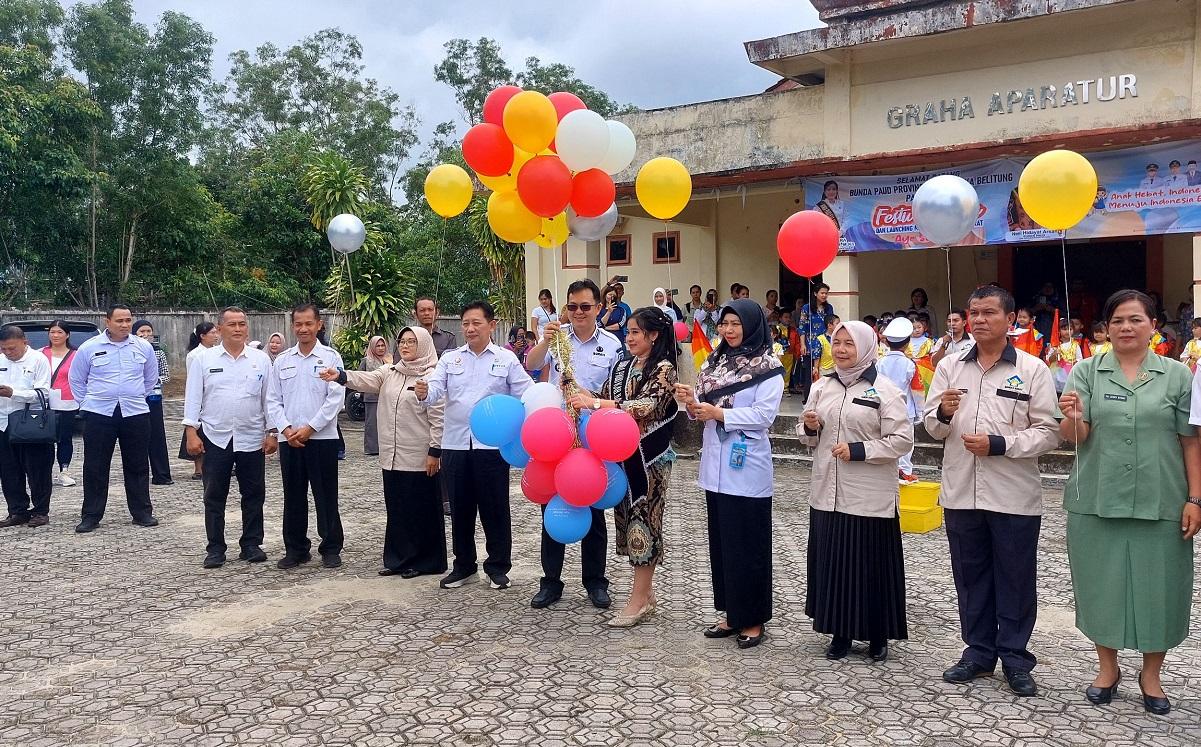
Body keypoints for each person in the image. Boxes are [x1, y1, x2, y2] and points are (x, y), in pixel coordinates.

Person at [1060, 289, 1201, 716]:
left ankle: (1151, 675)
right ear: (1106, 328)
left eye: (1136, 319)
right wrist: (1072, 416)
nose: (1126, 327)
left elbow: (1190, 440)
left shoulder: (1177, 375)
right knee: (1101, 585)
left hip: (1163, 498)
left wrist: (1195, 497)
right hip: (1097, 498)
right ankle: (1107, 669)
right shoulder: (1086, 371)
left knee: (1160, 589)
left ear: (1153, 326)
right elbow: (1074, 438)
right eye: (1118, 320)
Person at [923, 285, 1060, 697]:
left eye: (988, 312)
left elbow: (1049, 433)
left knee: (1016, 578)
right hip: (961, 491)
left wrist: (1001, 444)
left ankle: (1016, 659)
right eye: (973, 312)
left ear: (1010, 319)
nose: (978, 320)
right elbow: (931, 426)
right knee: (971, 576)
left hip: (1013, 495)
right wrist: (943, 413)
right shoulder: (949, 367)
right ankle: (978, 652)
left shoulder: (1032, 370)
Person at [675, 299, 785, 650]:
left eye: (736, 323)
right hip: (716, 467)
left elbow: (763, 416)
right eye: (724, 324)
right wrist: (692, 404)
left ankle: (752, 619)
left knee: (748, 546)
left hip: (747, 467)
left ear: (752, 325)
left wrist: (718, 414)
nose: (728, 330)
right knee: (723, 545)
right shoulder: (715, 360)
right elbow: (703, 410)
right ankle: (730, 613)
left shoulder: (769, 367)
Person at [800, 321, 913, 662]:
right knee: (834, 563)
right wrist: (808, 426)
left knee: (869, 566)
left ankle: (878, 635)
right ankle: (840, 633)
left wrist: (860, 450)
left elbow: (902, 440)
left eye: (850, 344)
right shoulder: (822, 387)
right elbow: (807, 437)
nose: (842, 350)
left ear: (866, 347)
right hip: (827, 492)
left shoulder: (885, 390)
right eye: (837, 343)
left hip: (868, 495)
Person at [568, 307, 678, 627]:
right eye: (627, 332)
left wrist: (597, 404)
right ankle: (646, 593)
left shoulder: (664, 369)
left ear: (653, 336)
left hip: (649, 461)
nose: (627, 338)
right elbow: (602, 397)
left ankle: (638, 600)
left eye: (634, 332)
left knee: (644, 522)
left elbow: (647, 406)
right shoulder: (622, 366)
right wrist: (576, 391)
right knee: (628, 522)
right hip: (621, 459)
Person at [416, 300, 532, 590]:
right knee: (460, 507)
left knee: (495, 507)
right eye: (466, 323)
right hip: (455, 443)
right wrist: (422, 393)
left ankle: (497, 567)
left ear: (491, 326)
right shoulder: (451, 359)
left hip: (491, 447)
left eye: (476, 323)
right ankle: (464, 565)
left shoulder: (506, 360)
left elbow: (526, 394)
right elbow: (434, 391)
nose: (469, 328)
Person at [525, 279, 625, 609]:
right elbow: (532, 365)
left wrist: (590, 399)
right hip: (556, 437)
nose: (578, 313)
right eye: (572, 307)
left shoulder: (612, 345)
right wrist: (544, 340)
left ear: (598, 307)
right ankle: (550, 581)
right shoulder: (557, 338)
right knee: (551, 508)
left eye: (585, 306)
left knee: (594, 511)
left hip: (595, 438)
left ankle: (595, 581)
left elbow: (619, 394)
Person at [323, 326, 447, 578]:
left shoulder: (432, 376)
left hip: (420, 456)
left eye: (412, 342)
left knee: (420, 510)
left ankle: (425, 562)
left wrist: (435, 451)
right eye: (402, 341)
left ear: (423, 344)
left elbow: (439, 417)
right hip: (391, 455)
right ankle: (399, 559)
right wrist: (340, 376)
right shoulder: (391, 372)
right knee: (397, 508)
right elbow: (365, 380)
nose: (405, 346)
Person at [183, 307, 275, 569]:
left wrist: (272, 433)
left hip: (252, 437)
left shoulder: (261, 360)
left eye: (242, 324)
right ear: (219, 329)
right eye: (231, 324)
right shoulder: (204, 359)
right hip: (215, 436)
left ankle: (251, 544)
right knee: (214, 495)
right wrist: (191, 432)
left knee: (254, 493)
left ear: (248, 328)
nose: (237, 329)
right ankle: (215, 548)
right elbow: (193, 398)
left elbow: (269, 399)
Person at [266, 303, 346, 570]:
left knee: (325, 495)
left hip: (322, 439)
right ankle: (296, 548)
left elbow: (335, 399)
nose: (303, 329)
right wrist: (286, 430)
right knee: (293, 495)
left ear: (319, 324)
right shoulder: (283, 360)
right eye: (298, 324)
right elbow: (272, 400)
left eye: (308, 323)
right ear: (292, 326)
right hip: (289, 440)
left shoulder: (331, 358)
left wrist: (311, 428)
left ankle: (331, 548)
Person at [69, 304, 160, 533]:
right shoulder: (89, 348)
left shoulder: (143, 347)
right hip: (100, 414)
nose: (124, 325)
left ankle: (141, 513)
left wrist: (134, 395)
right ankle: (91, 515)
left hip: (135, 412)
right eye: (119, 321)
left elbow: (150, 379)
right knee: (95, 466)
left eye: (128, 320)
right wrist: (88, 403)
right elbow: (77, 381)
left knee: (138, 464)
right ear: (107, 321)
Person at [0, 325, 54, 528]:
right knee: (8, 471)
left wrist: (13, 393)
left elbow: (43, 392)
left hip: (30, 423)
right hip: (3, 423)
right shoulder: (1, 359)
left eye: (11, 348)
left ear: (25, 342)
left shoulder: (38, 359)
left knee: (37, 469)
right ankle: (17, 511)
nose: (7, 353)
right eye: (3, 349)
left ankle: (40, 511)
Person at [878, 317, 920, 483]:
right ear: (908, 343)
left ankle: (889, 469)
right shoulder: (910, 364)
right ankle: (905, 471)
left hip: (884, 407)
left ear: (887, 342)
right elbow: (917, 390)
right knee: (906, 442)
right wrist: (920, 412)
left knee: (886, 439)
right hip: (905, 408)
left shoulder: (879, 363)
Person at [132, 320, 174, 486]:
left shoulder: (158, 353)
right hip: (134, 399)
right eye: (142, 331)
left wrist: (153, 380)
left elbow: (166, 375)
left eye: (148, 331)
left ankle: (161, 474)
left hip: (153, 398)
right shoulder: (129, 351)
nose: (146, 334)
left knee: (157, 435)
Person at [179, 321, 220, 481]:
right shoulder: (195, 355)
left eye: (216, 333)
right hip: (200, 399)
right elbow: (194, 380)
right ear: (202, 336)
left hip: (213, 399)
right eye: (212, 333)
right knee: (196, 432)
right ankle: (198, 468)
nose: (216, 336)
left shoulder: (216, 352)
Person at [41, 320, 78, 487]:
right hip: (43, 403)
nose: (55, 335)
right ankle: (43, 473)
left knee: (64, 438)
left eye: (59, 332)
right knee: (43, 439)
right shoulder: (40, 354)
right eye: (52, 332)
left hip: (66, 402)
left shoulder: (76, 355)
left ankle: (64, 471)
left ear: (67, 334)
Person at [359, 335, 393, 456]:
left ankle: (386, 448)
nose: (380, 348)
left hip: (388, 397)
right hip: (372, 397)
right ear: (373, 347)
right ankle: (372, 448)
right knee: (372, 424)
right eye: (377, 346)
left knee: (387, 424)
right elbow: (360, 378)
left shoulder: (390, 359)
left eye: (382, 345)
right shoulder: (366, 360)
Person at [1046, 318, 1083, 394]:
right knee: (1056, 393)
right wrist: (1054, 355)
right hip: (1056, 373)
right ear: (1059, 330)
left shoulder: (1075, 345)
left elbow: (1080, 359)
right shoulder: (1054, 345)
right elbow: (1049, 360)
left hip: (1070, 373)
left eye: (1070, 329)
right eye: (1064, 329)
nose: (1067, 331)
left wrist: (1075, 363)